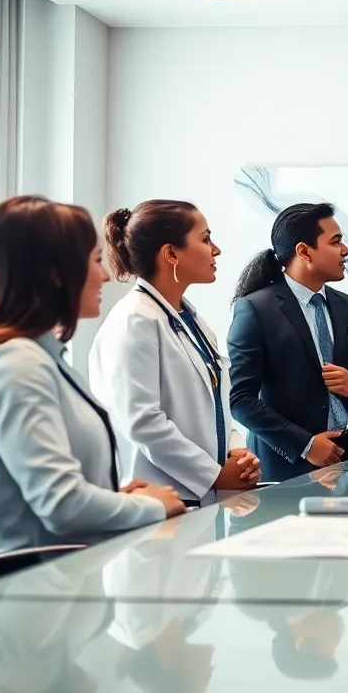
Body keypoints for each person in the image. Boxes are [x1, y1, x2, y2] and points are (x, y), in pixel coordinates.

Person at [0, 195, 184, 556]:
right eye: (95, 261)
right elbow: (61, 505)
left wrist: (111, 497)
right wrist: (155, 506)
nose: (106, 275)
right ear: (54, 274)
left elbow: (51, 492)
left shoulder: (39, 357)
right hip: (32, 589)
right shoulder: (15, 364)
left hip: (66, 574)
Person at [89, 200, 260, 500]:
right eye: (206, 239)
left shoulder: (193, 321)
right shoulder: (134, 320)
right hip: (161, 501)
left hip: (202, 499)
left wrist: (238, 454)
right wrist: (215, 474)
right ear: (170, 253)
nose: (216, 250)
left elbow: (216, 406)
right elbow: (142, 423)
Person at [227, 202, 348, 482]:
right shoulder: (255, 309)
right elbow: (241, 401)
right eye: (336, 241)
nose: (346, 251)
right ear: (304, 251)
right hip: (285, 468)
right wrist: (305, 445)